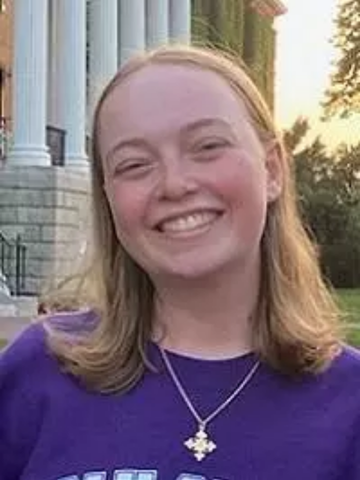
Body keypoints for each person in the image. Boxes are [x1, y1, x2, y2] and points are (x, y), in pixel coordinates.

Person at [0, 45, 359, 480]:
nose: (174, 184)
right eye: (134, 164)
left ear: (272, 169)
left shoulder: (349, 408)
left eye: (207, 146)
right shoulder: (36, 373)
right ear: (108, 199)